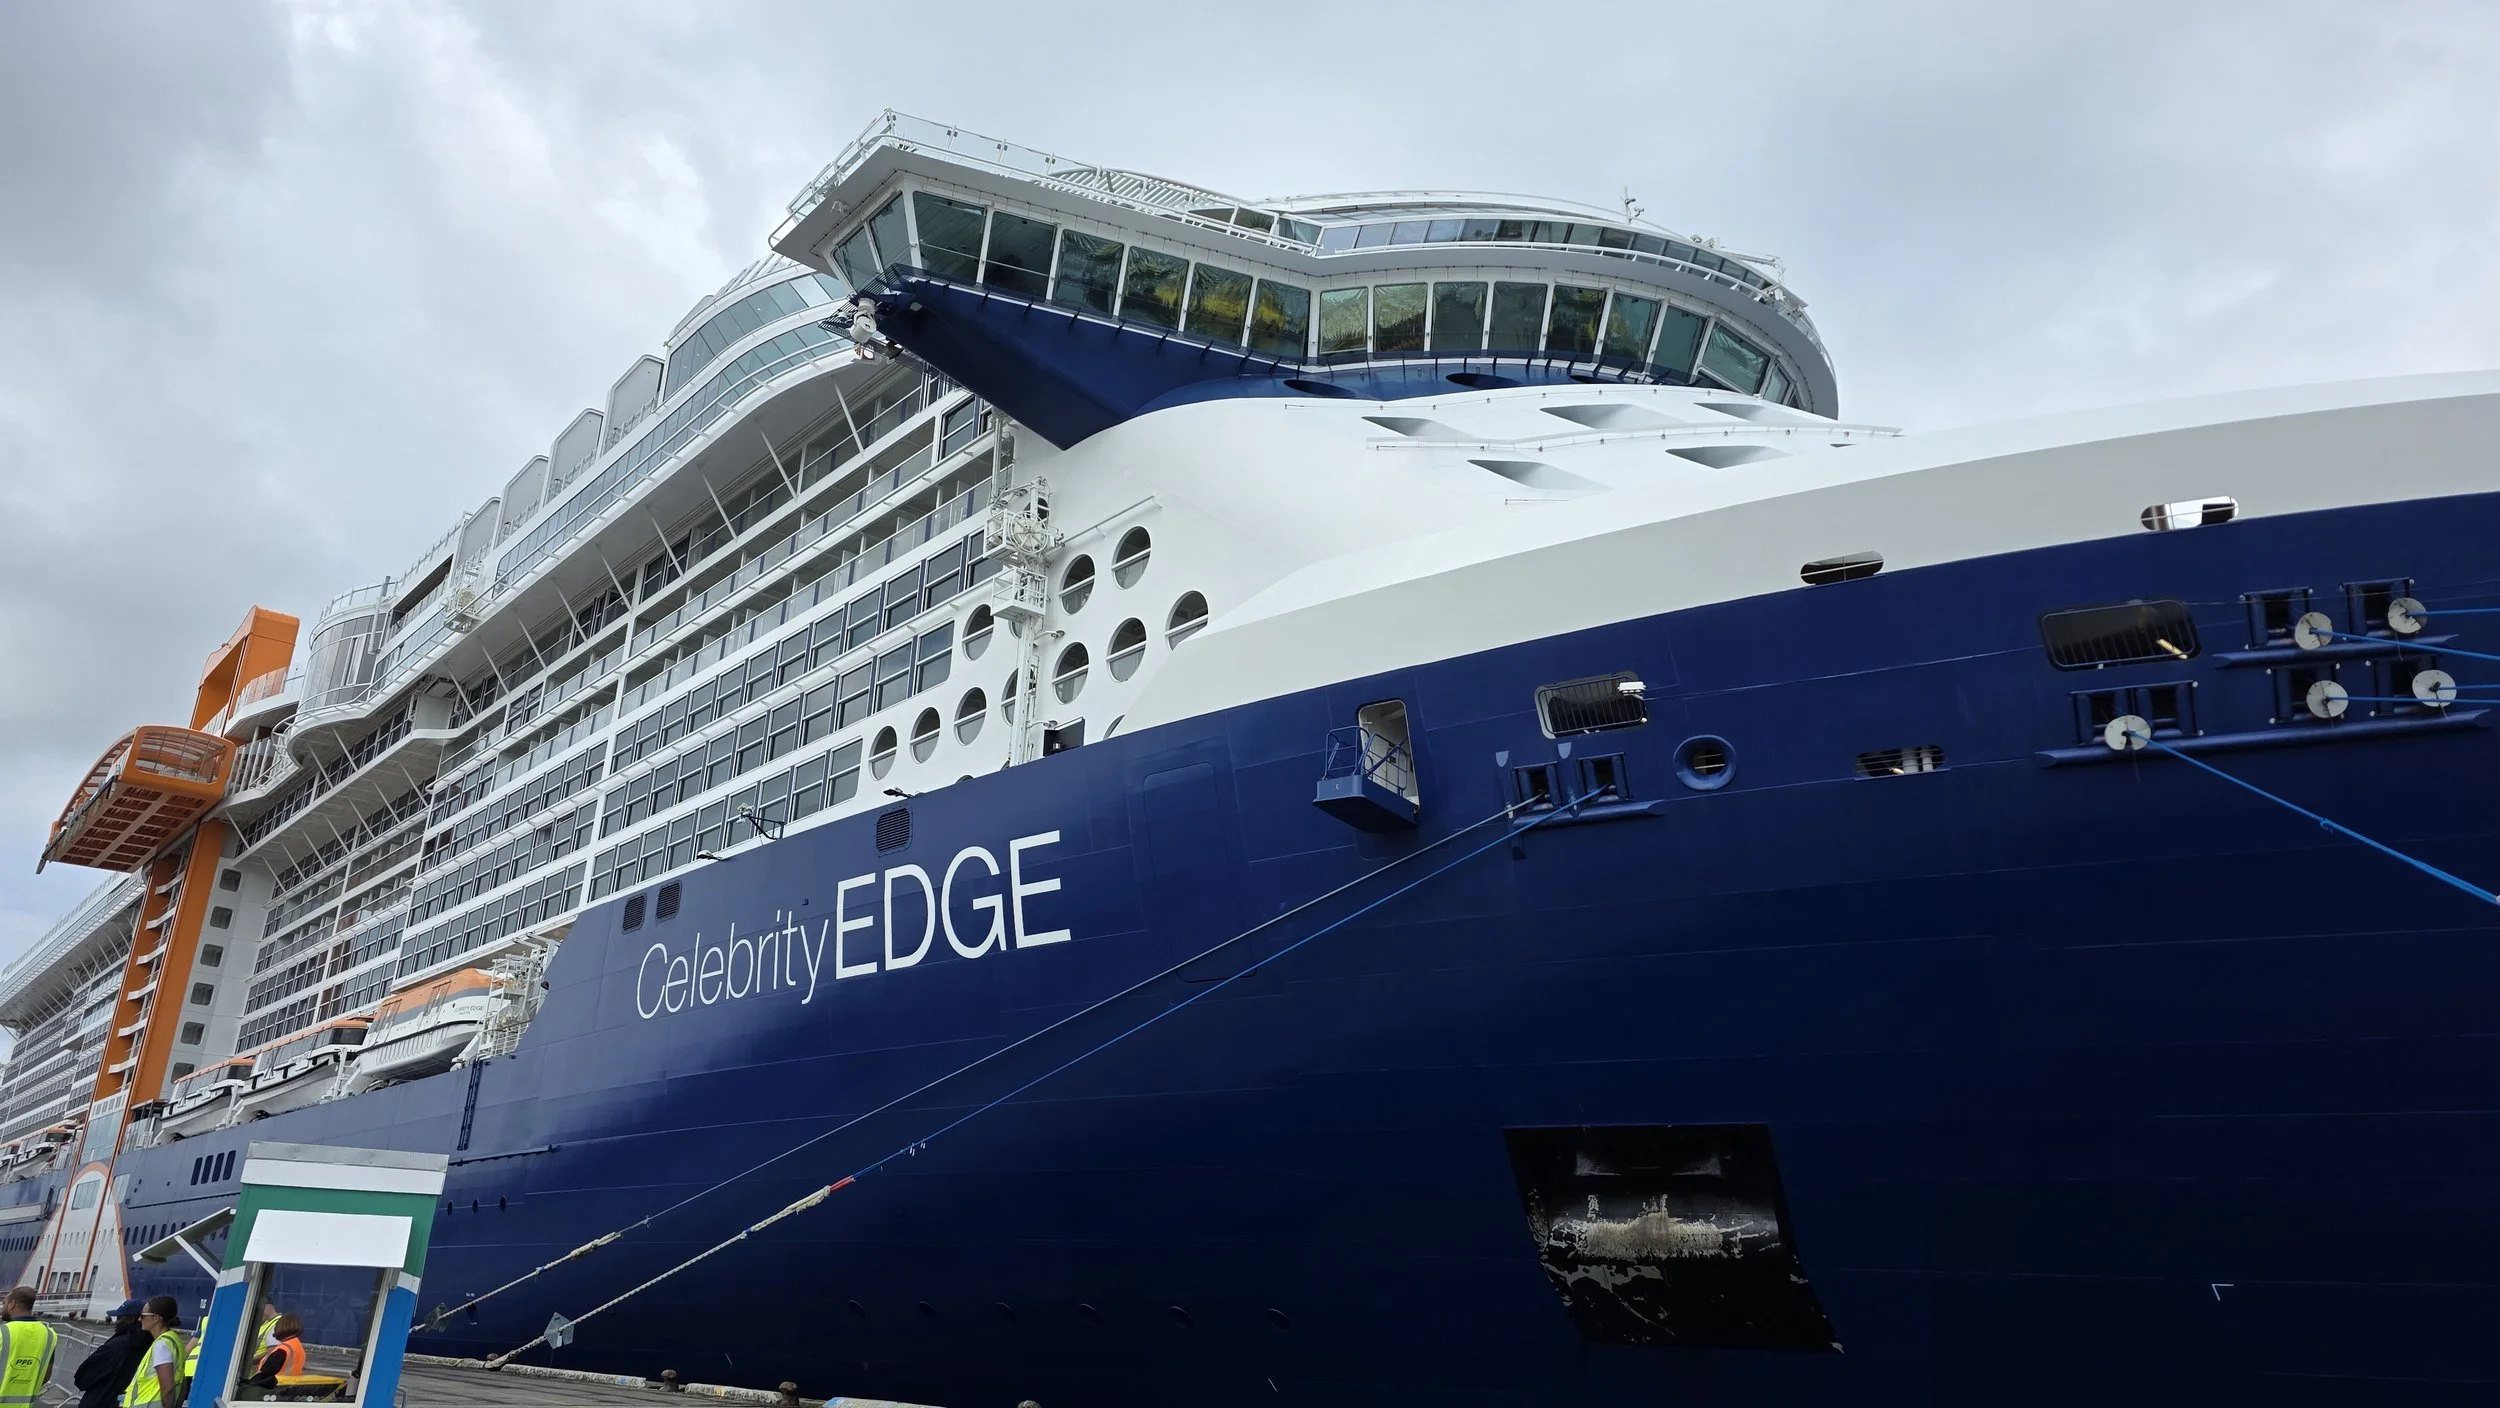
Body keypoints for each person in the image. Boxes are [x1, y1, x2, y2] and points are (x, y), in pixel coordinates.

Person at [73, 1303, 148, 1408]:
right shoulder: (150, 1345)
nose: (116, 1321)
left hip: (100, 1400)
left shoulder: (116, 1346)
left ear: (131, 1319)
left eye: (119, 1318)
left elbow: (83, 1377)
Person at [118, 1297, 184, 1408]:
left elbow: (168, 1388)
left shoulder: (161, 1345)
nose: (139, 1319)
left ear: (156, 1318)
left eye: (143, 1315)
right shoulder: (174, 1340)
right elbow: (182, 1383)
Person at [0, 1286, 56, 1408]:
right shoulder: (49, 1335)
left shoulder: (2, 1332)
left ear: (12, 1304)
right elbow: (46, 1375)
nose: (2, 1308)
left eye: (4, 1303)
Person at [244, 1316, 304, 1390]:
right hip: (288, 1388)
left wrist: (246, 1385)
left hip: (273, 1389)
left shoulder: (282, 1350)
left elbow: (265, 1375)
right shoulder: (297, 1346)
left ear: (281, 1328)